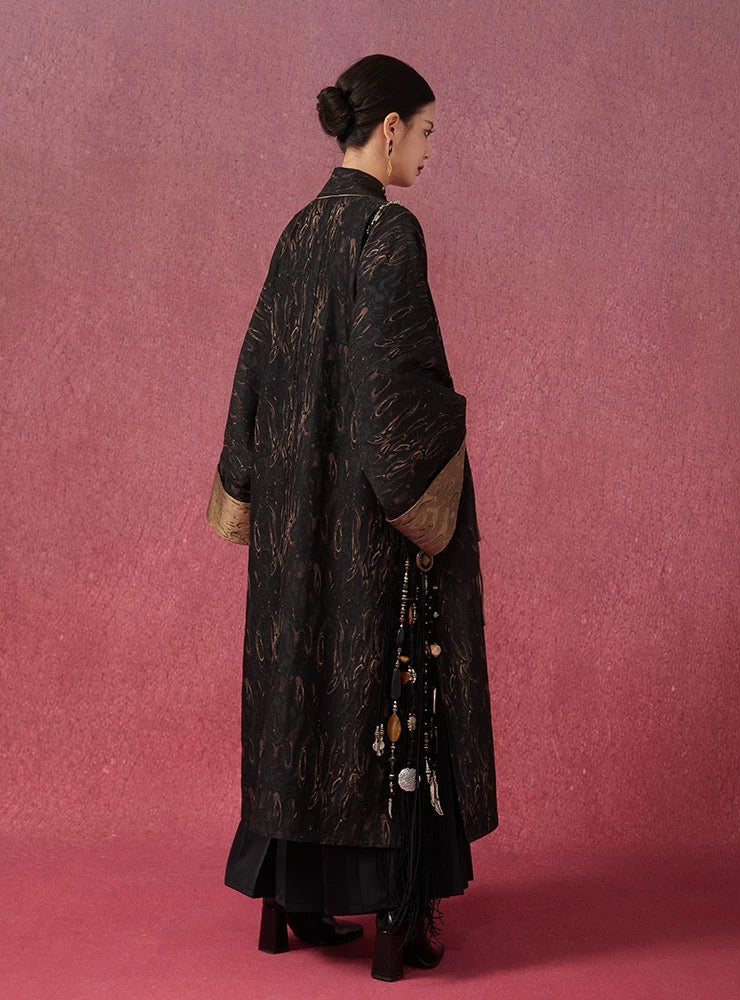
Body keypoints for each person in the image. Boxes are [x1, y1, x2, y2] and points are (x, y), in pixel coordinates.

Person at [206, 53, 497, 982]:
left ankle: (293, 898)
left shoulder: (299, 230)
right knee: (383, 699)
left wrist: (246, 483)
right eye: (427, 132)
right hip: (367, 525)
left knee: (301, 689)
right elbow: (394, 390)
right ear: (389, 129)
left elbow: (255, 363)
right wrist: (442, 450)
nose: (430, 151)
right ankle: (401, 904)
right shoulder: (387, 229)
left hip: (296, 521)